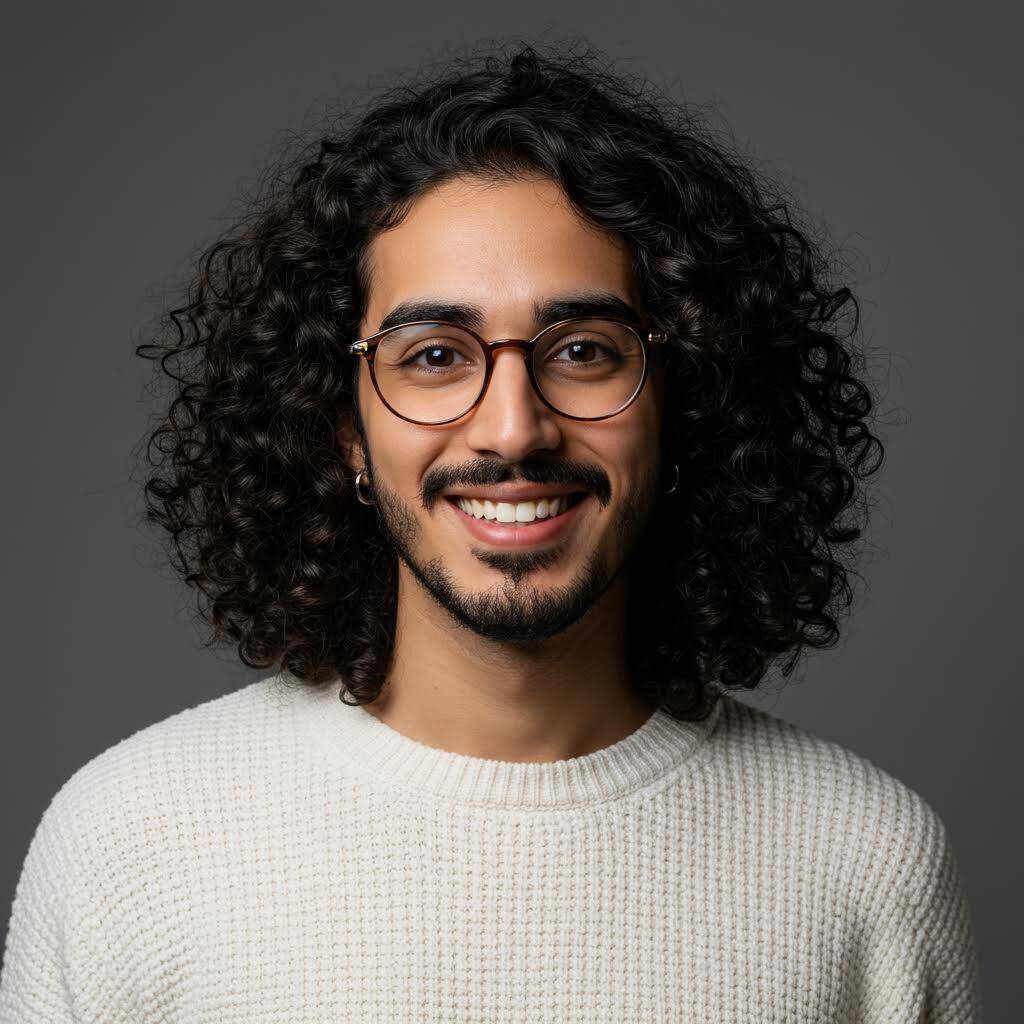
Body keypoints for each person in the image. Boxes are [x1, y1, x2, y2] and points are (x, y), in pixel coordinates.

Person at [0, 41, 983, 1023]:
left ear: (681, 404)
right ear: (344, 424)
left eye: (584, 351)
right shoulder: (128, 845)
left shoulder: (867, 863)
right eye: (433, 355)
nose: (512, 426)